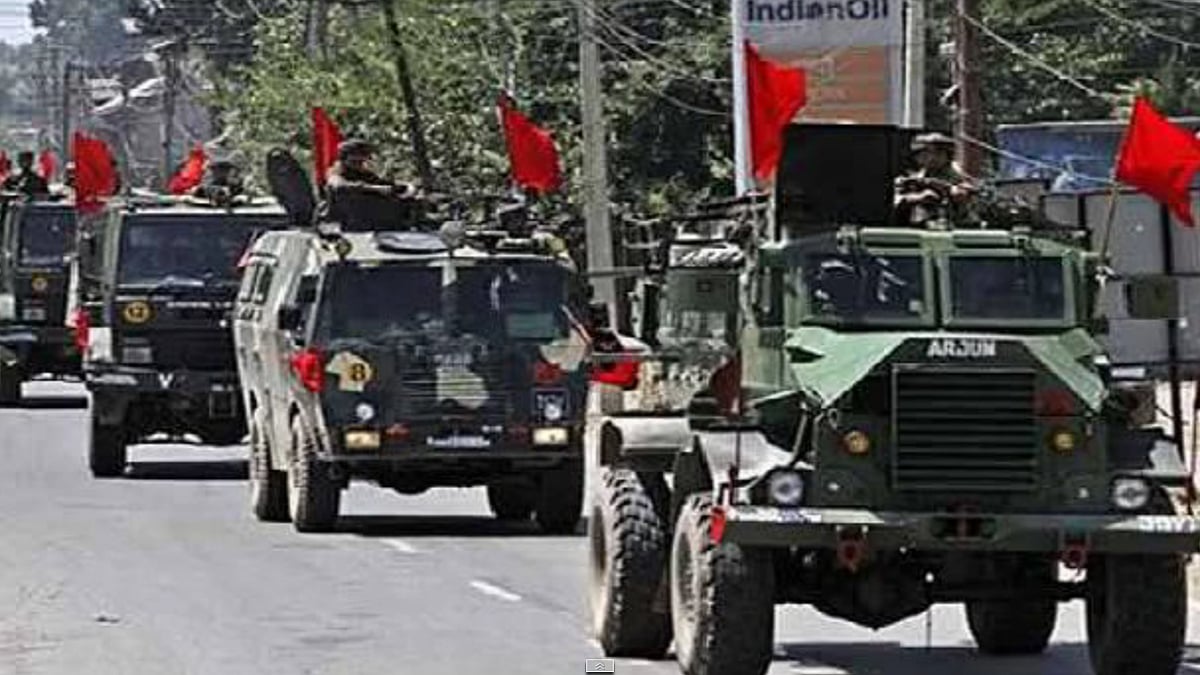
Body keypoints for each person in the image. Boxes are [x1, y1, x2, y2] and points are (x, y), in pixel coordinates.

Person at [321, 139, 418, 231]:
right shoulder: (336, 172)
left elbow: (385, 184)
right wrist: (374, 189)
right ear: (345, 157)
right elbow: (339, 186)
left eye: (362, 157)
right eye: (355, 157)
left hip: (368, 222)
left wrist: (406, 187)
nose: (360, 161)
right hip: (342, 223)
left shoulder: (364, 174)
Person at [894, 133, 976, 224]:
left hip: (957, 230)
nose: (931, 157)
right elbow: (892, 202)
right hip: (920, 230)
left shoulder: (959, 178)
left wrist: (944, 188)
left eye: (938, 152)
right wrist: (918, 198)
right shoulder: (911, 180)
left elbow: (965, 195)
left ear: (947, 156)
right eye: (924, 153)